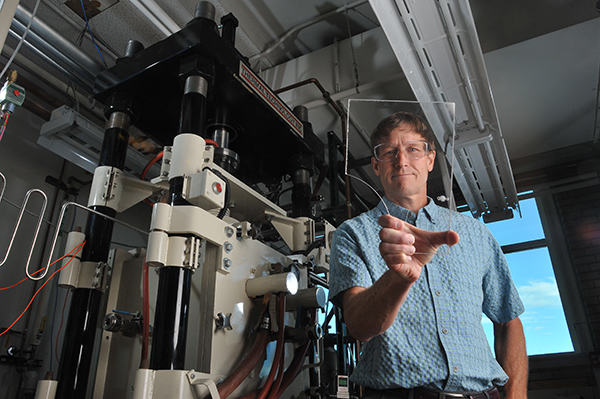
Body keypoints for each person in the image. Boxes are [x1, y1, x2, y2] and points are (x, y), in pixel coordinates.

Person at [328, 111, 528, 399]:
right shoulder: (353, 234)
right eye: (389, 152)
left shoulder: (473, 233)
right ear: (375, 165)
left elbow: (508, 320)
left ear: (430, 159)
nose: (402, 161)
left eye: (413, 149)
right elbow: (359, 327)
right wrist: (398, 278)